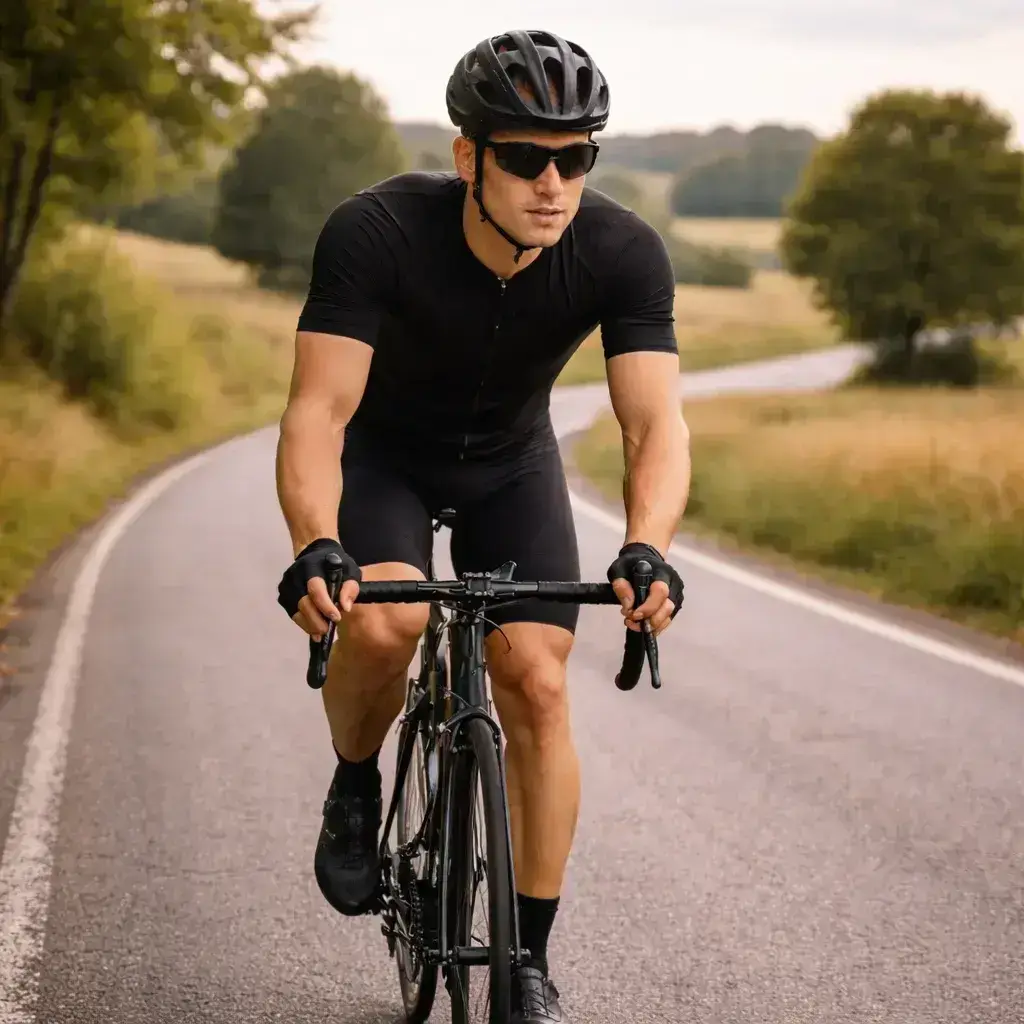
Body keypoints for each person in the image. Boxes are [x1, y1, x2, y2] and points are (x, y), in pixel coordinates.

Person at [274, 28, 690, 1024]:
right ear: (469, 158)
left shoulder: (621, 251)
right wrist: (313, 542)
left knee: (539, 686)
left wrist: (649, 546)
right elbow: (317, 413)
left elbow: (652, 422)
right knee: (383, 623)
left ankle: (530, 960)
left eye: (575, 156)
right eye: (523, 157)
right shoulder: (375, 232)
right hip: (389, 463)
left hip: (513, 466)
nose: (552, 182)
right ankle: (353, 780)